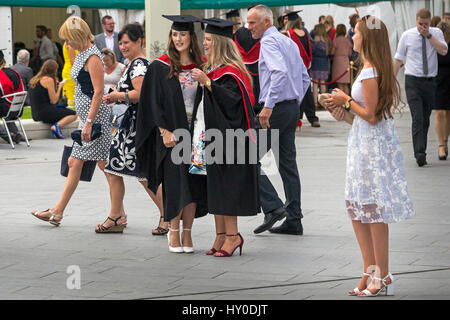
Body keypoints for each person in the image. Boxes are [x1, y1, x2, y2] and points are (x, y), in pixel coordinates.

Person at [324, 15, 415, 297]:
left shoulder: (372, 71)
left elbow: (373, 116)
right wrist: (341, 112)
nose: (352, 36)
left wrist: (346, 100)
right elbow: (362, 118)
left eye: (357, 33)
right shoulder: (366, 68)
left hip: (374, 149)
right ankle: (369, 269)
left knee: (373, 208)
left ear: (368, 38)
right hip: (363, 143)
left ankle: (382, 274)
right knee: (357, 206)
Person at [31, 16, 112, 226]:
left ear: (77, 36)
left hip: (95, 121)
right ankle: (59, 212)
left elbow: (98, 91)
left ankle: (58, 212)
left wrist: (89, 122)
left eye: (68, 39)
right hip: (89, 119)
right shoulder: (82, 53)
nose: (66, 44)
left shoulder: (92, 57)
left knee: (98, 166)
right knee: (101, 166)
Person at [136, 15, 208, 250]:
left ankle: (188, 234)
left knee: (194, 183)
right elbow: (151, 103)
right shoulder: (160, 67)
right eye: (175, 35)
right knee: (176, 183)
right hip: (173, 135)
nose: (178, 39)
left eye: (183, 35)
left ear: (191, 37)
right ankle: (173, 231)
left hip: (197, 135)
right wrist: (163, 131)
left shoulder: (202, 66)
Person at [191, 17, 260, 256]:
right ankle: (221, 235)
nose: (205, 43)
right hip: (210, 135)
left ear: (220, 42)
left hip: (229, 139)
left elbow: (233, 103)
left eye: (209, 39)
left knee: (226, 186)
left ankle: (233, 236)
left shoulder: (232, 73)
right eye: (205, 39)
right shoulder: (215, 69)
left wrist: (208, 83)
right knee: (215, 186)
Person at [95, 24, 163, 234]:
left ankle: (167, 216)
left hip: (133, 129)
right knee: (114, 169)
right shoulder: (133, 63)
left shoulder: (139, 65)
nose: (123, 46)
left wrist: (117, 96)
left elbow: (140, 93)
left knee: (143, 176)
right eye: (121, 42)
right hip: (128, 129)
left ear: (139, 41)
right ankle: (117, 216)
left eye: (127, 42)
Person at [248, 5, 309, 236]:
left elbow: (279, 72)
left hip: (275, 110)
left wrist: (270, 106)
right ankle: (294, 219)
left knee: (245, 156)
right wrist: (294, 101)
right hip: (290, 107)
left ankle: (273, 207)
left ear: (266, 22)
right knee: (287, 165)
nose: (249, 27)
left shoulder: (269, 42)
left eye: (253, 23)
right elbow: (304, 77)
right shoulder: (289, 42)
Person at [393, 8, 448, 167]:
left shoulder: (436, 33)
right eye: (420, 24)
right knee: (417, 116)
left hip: (430, 81)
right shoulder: (407, 35)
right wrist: (391, 80)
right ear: (416, 21)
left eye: (425, 24)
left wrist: (428, 36)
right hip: (413, 81)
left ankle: (421, 148)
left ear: (430, 22)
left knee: (425, 118)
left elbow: (443, 51)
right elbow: (398, 58)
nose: (422, 27)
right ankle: (419, 153)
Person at [284, 15, 320, 127]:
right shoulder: (305, 33)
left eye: (286, 19)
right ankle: (313, 118)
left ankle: (296, 118)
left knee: (295, 93)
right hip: (305, 66)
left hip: (293, 67)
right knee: (306, 92)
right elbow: (312, 48)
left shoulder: (287, 34)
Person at [28, 59, 77, 138]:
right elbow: (54, 101)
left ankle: (56, 125)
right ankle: (56, 127)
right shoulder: (49, 80)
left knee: (60, 111)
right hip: (45, 112)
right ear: (54, 70)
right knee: (74, 114)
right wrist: (60, 87)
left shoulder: (34, 79)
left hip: (35, 114)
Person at [0, 49, 24, 144]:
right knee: (6, 105)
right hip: (17, 110)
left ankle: (10, 135)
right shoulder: (14, 72)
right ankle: (14, 133)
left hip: (6, 109)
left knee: (4, 105)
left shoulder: (1, 75)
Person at [434, 21, 450, 160]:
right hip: (437, 82)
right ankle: (440, 145)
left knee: (448, 113)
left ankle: (445, 141)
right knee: (440, 112)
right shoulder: (434, 45)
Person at [310, 23, 331, 109]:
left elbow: (313, 50)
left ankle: (315, 103)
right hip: (324, 63)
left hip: (316, 62)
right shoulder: (327, 39)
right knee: (323, 83)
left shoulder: (316, 38)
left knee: (315, 83)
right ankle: (324, 103)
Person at [331, 24, 353, 95]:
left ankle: (342, 103)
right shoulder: (347, 40)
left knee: (340, 84)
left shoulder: (336, 40)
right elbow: (350, 54)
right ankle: (347, 102)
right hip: (346, 61)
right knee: (346, 84)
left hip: (338, 62)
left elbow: (332, 52)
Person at [61, 42, 78, 106]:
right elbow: (72, 61)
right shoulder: (70, 43)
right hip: (70, 71)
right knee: (70, 93)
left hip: (70, 70)